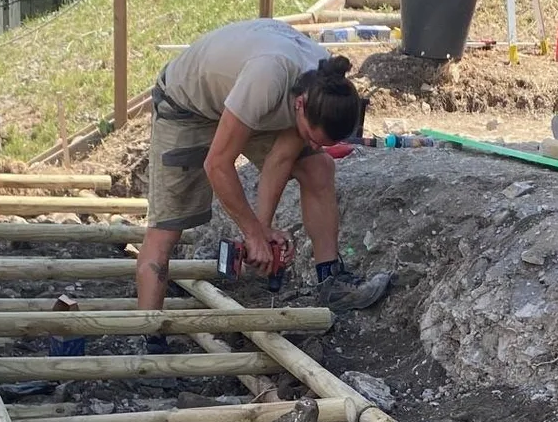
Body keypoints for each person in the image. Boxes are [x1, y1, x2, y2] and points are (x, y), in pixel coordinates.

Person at [134, 18, 391, 315]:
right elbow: (217, 164)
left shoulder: (323, 81)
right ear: (300, 105)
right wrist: (253, 235)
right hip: (186, 105)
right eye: (310, 136)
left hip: (247, 101)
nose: (315, 145)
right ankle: (148, 337)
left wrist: (263, 228)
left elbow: (280, 158)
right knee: (166, 230)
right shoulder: (268, 78)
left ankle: (331, 280)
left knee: (318, 168)